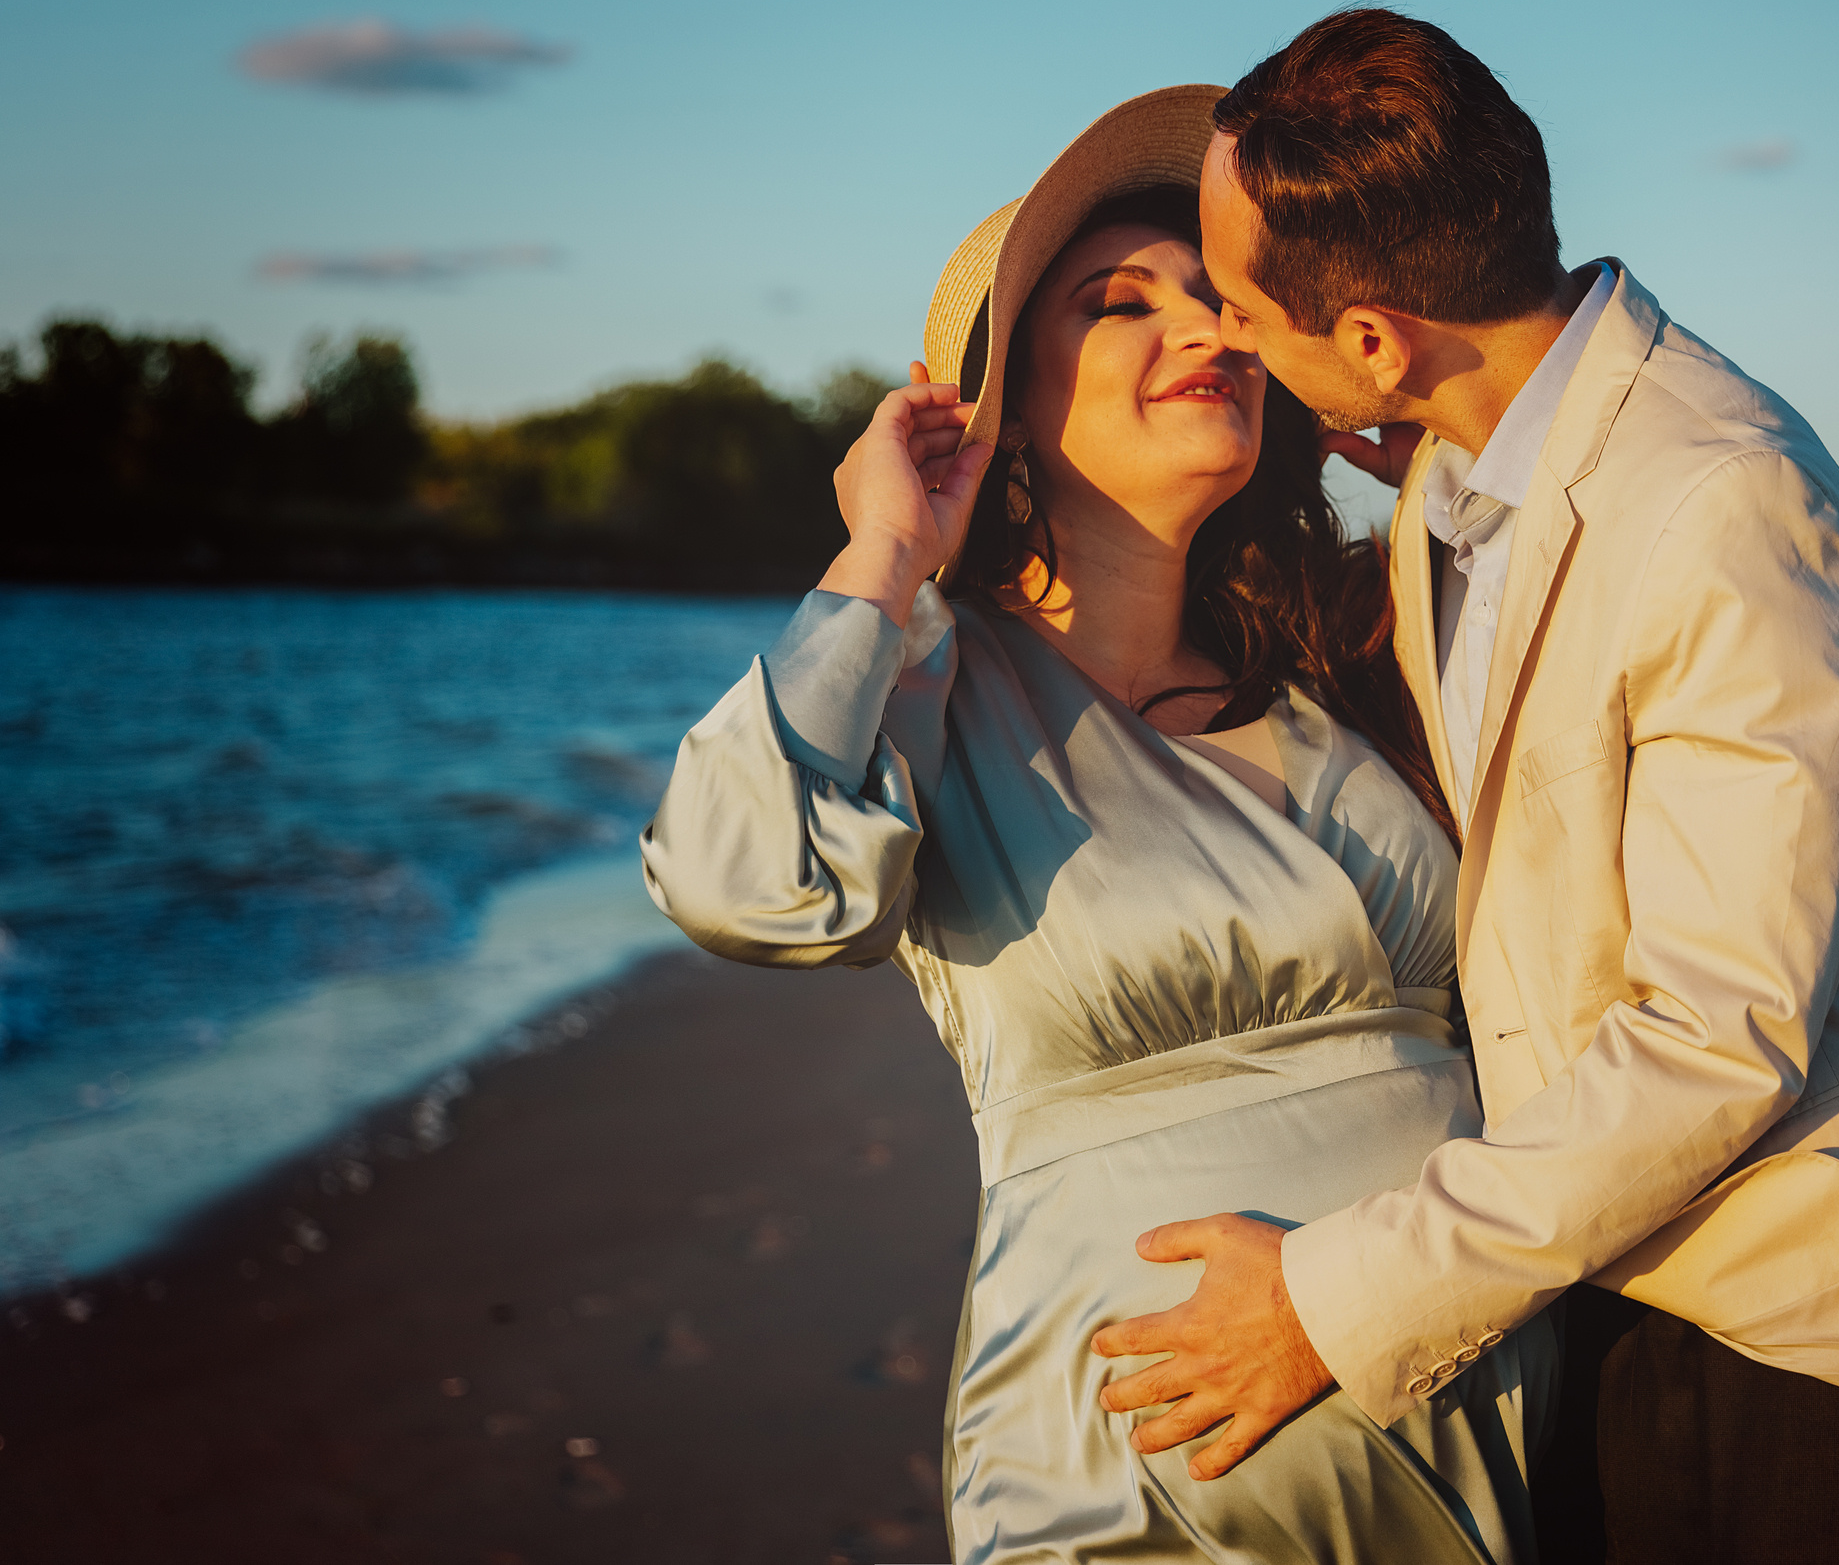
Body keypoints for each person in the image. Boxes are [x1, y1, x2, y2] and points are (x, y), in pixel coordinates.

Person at [1094, 11, 1839, 1562]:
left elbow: (1717, 1037)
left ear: (1373, 338)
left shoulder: (1726, 504)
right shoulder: (1461, 467)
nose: (1227, 332)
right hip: (1598, 1296)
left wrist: (1326, 1307)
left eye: (1244, 304)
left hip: (1811, 1344)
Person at [639, 86, 1552, 1565]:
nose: (1204, 330)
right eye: (1122, 305)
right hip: (1141, 1482)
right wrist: (884, 550)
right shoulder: (933, 687)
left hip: (1474, 1443)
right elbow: (743, 882)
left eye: (1219, 301)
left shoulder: (1344, 670)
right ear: (1000, 418)